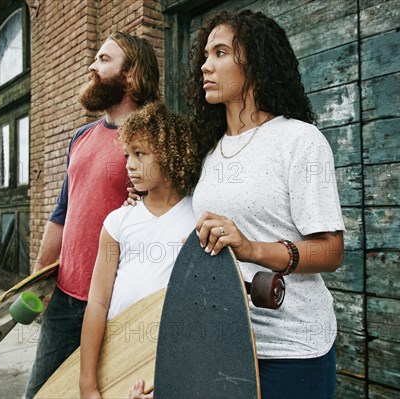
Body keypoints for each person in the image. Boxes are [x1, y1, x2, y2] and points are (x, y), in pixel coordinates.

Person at [132, 9, 345, 399]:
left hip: (291, 349)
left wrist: (252, 249)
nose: (204, 66)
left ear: (256, 62)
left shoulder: (299, 140)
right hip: (221, 346)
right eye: (205, 55)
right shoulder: (209, 152)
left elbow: (331, 251)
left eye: (221, 53)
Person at [24, 32, 160, 399]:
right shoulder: (81, 137)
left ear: (130, 75)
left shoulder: (154, 138)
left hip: (116, 306)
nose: (92, 66)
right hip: (66, 297)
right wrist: (38, 280)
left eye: (104, 60)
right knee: (41, 393)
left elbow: (166, 213)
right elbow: (61, 213)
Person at [79, 101, 202, 399]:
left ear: (171, 154)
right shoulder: (118, 221)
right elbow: (97, 303)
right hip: (119, 354)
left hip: (172, 360)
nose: (129, 165)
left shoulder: (199, 218)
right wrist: (88, 385)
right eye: (126, 155)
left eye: (140, 154)